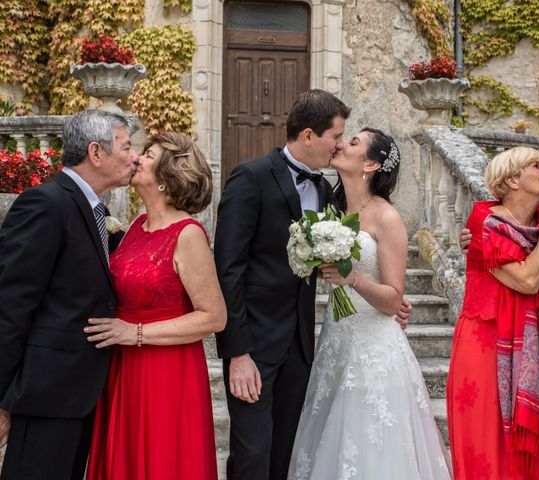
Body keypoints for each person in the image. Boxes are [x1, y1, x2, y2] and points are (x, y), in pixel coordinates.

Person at [214, 90, 411, 480]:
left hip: (304, 348)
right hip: (255, 347)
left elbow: (360, 258)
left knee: (288, 453)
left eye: (346, 139)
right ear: (308, 136)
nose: (340, 144)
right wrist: (237, 352)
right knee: (252, 453)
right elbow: (228, 269)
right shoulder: (250, 178)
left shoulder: (326, 194)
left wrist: (391, 300)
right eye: (337, 136)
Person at [288, 128, 451, 479]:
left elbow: (393, 298)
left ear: (371, 164)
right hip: (336, 341)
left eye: (354, 142)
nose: (342, 144)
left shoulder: (386, 217)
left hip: (374, 350)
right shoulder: (329, 210)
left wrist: (354, 278)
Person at [0, 110, 137, 480]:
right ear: (96, 152)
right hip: (44, 394)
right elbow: (10, 305)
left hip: (81, 392)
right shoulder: (45, 203)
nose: (134, 157)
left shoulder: (95, 209)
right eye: (126, 147)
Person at [85, 132, 227, 479]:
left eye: (148, 155)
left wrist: (134, 332)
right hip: (123, 366)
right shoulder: (135, 226)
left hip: (166, 371)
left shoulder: (188, 233)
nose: (136, 159)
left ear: (166, 178)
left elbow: (214, 317)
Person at [447, 146, 539, 479]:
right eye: (537, 165)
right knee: (488, 443)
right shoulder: (486, 224)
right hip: (486, 344)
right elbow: (529, 281)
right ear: (513, 179)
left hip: (530, 348)